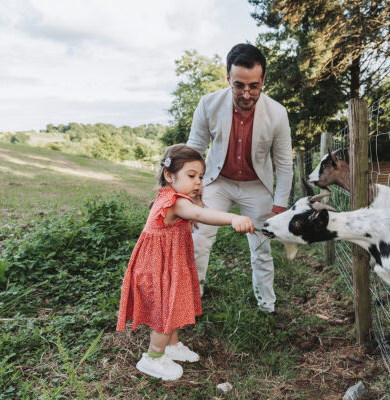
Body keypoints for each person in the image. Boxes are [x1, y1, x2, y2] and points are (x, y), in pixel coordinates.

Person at [116, 144, 254, 381]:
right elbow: (200, 215)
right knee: (165, 310)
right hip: (158, 267)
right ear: (169, 175)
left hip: (170, 265)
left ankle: (172, 345)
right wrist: (234, 218)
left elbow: (195, 211)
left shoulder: (175, 198)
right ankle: (153, 357)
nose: (198, 182)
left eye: (200, 176)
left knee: (174, 303)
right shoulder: (176, 202)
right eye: (191, 176)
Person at [186, 43, 293, 313]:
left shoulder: (278, 113)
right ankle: (190, 303)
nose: (246, 94)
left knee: (261, 248)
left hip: (257, 185)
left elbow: (283, 163)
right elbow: (193, 151)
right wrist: (190, 192)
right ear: (227, 79)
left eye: (254, 86)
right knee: (199, 240)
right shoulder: (208, 104)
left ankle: (267, 306)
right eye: (239, 86)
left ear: (263, 80)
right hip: (217, 182)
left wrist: (279, 206)